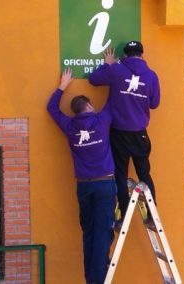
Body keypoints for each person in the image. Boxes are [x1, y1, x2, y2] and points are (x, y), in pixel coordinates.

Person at [47, 68, 117, 284]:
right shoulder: (102, 120)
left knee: (88, 231)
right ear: (89, 106)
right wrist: (109, 66)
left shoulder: (69, 126)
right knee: (103, 232)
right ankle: (97, 278)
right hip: (105, 184)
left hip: (84, 187)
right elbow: (115, 97)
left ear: (75, 111)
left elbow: (51, 108)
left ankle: (91, 277)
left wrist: (62, 86)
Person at [89, 41, 161, 229]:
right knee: (144, 174)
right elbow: (154, 104)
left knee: (120, 175)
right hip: (140, 135)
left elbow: (94, 80)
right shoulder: (152, 76)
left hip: (118, 133)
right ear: (142, 55)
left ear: (125, 56)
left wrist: (108, 63)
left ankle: (122, 219)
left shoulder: (116, 70)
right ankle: (153, 218)